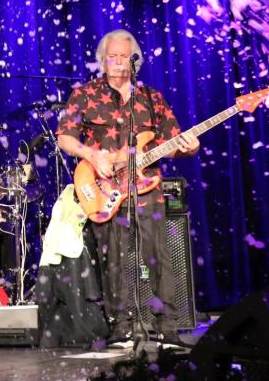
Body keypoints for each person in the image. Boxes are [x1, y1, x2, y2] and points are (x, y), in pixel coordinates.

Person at [56, 29, 199, 343]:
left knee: (158, 255)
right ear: (102, 60)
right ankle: (121, 325)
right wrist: (92, 155)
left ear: (135, 60)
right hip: (105, 187)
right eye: (112, 57)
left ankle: (167, 326)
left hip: (147, 188)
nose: (118, 62)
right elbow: (65, 137)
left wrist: (188, 147)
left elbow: (172, 143)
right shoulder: (85, 94)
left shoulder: (150, 97)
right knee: (115, 258)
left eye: (124, 56)